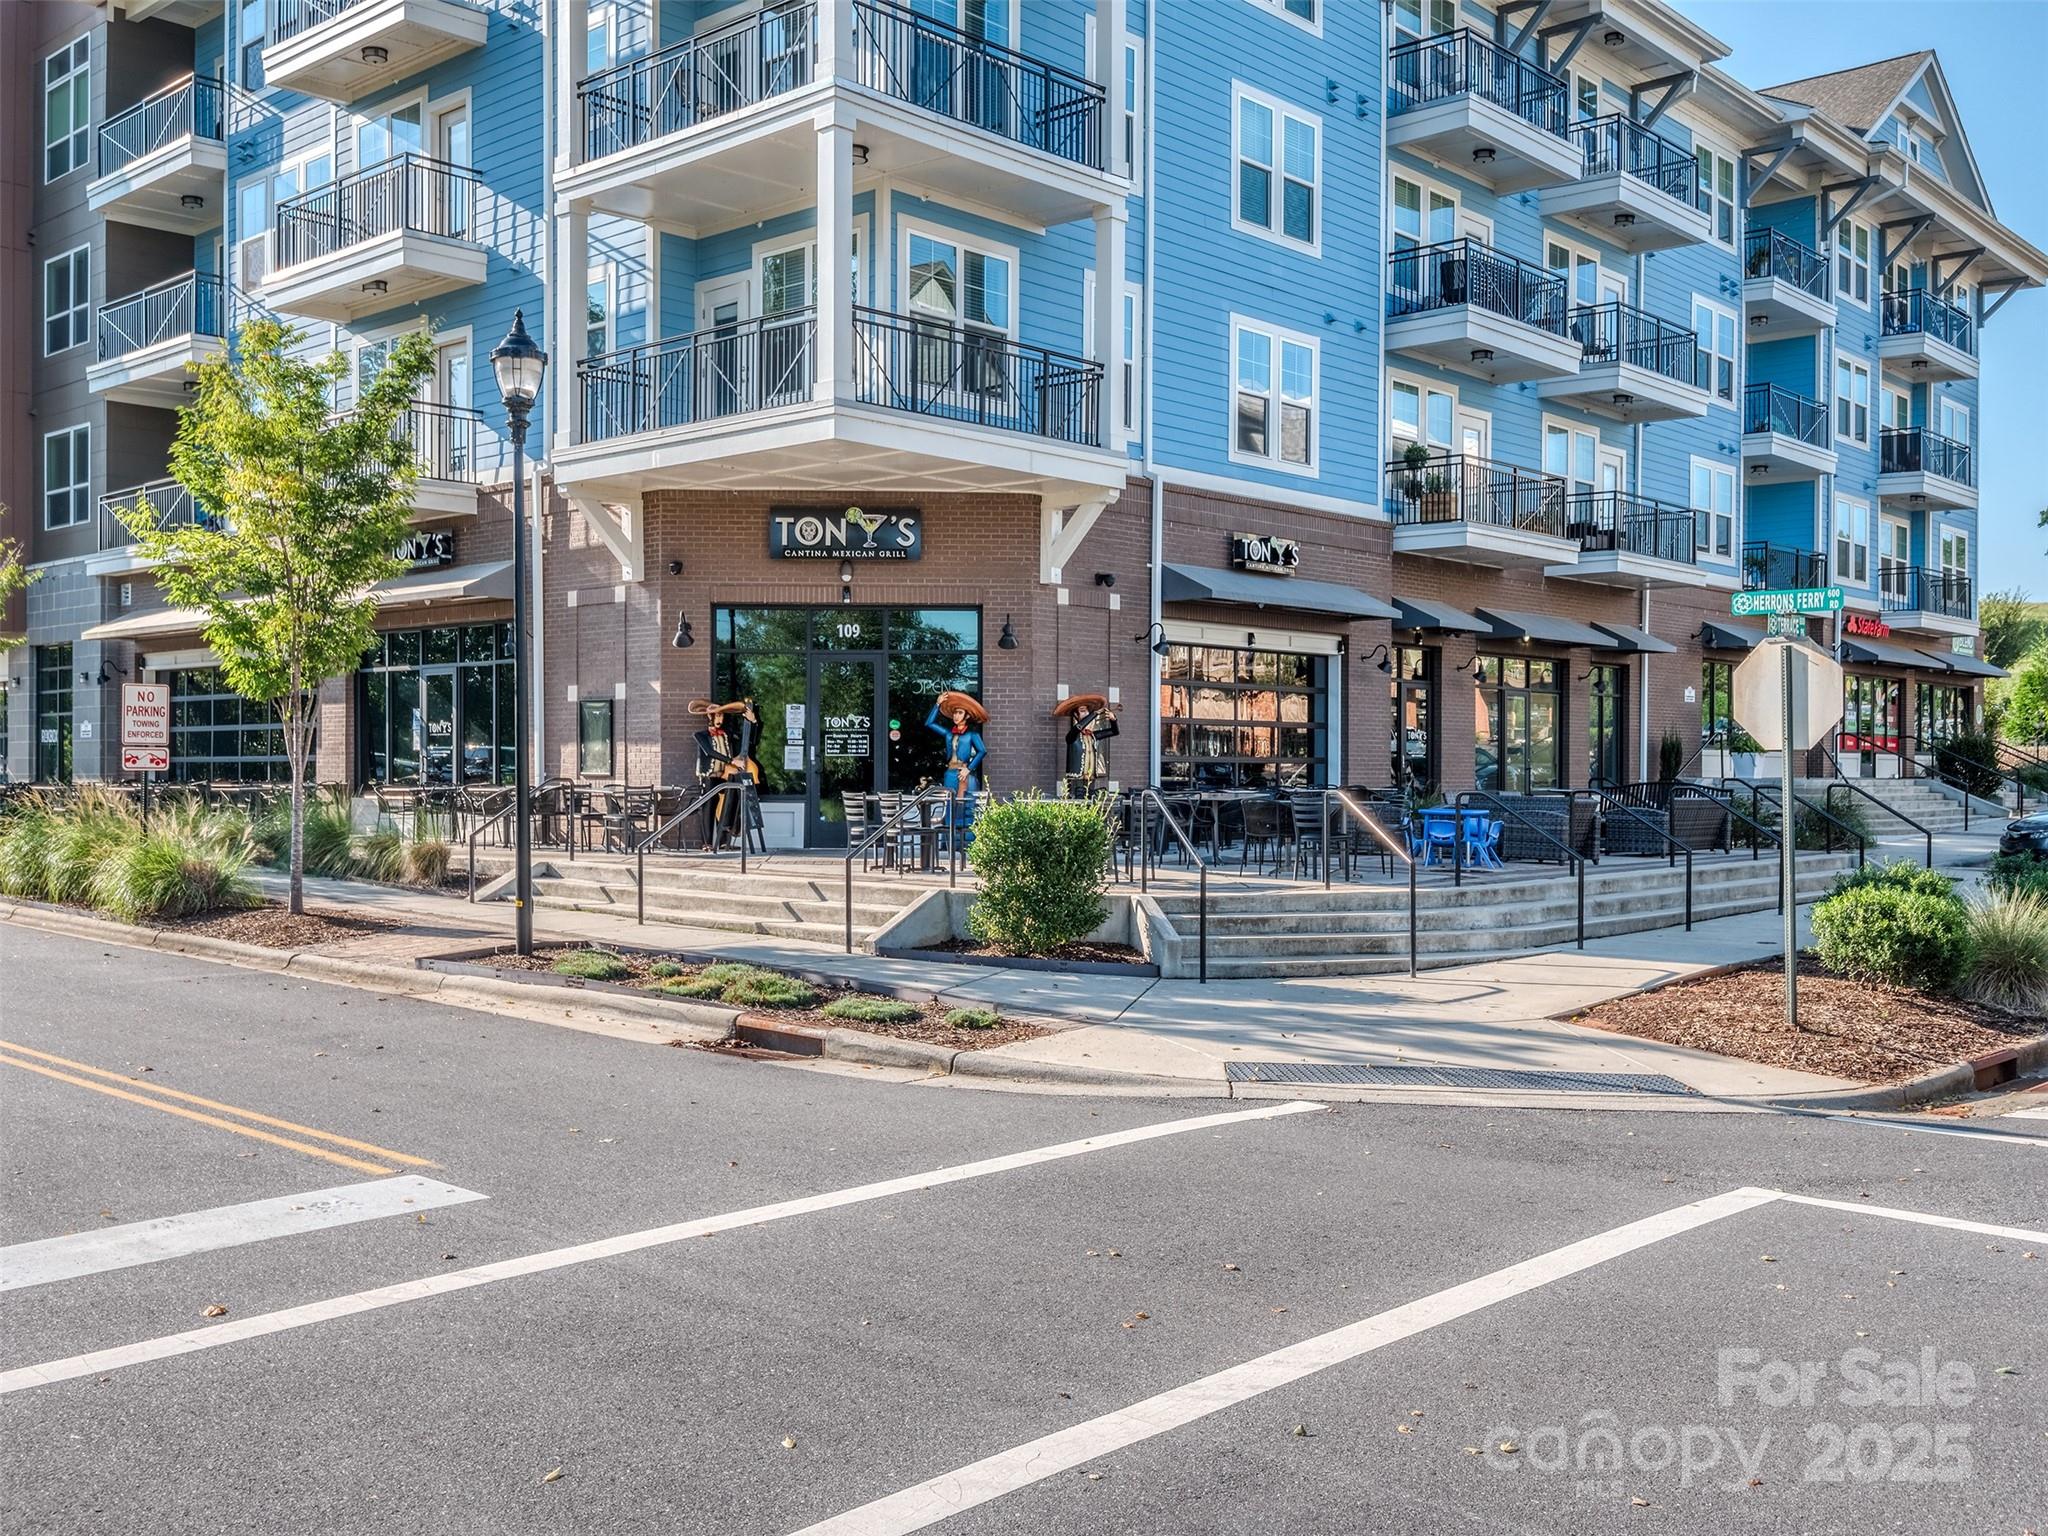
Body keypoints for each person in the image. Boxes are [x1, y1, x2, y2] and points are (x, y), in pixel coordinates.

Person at [926, 691, 986, 845]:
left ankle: (968, 843)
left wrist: (969, 768)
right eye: (954, 713)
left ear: (966, 716)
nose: (956, 716)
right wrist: (937, 704)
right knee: (949, 805)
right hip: (950, 773)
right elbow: (929, 723)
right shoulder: (948, 734)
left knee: (967, 806)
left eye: (959, 713)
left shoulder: (972, 735)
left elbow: (982, 751)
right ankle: (948, 842)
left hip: (964, 773)